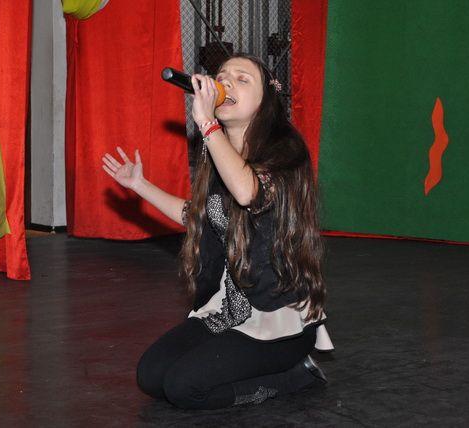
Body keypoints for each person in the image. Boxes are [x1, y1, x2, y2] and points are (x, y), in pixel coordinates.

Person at [101, 53, 333, 410]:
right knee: (151, 376)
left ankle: (295, 375)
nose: (226, 82)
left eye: (242, 78)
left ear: (266, 101)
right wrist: (140, 185)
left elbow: (249, 193)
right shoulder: (217, 153)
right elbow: (198, 217)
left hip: (277, 319)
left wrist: (207, 125)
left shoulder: (286, 150)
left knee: (184, 388)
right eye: (222, 76)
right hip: (229, 309)